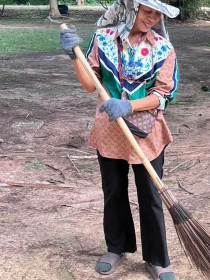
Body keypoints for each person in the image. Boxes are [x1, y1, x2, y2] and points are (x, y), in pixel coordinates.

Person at [60, 1, 180, 279]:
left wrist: (129, 106)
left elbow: (164, 94)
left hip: (146, 132)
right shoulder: (102, 40)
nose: (152, 18)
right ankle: (116, 248)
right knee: (113, 191)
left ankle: (157, 259)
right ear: (130, 8)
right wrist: (74, 57)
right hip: (109, 130)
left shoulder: (163, 47)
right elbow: (91, 85)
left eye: (157, 13)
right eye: (146, 10)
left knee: (151, 196)